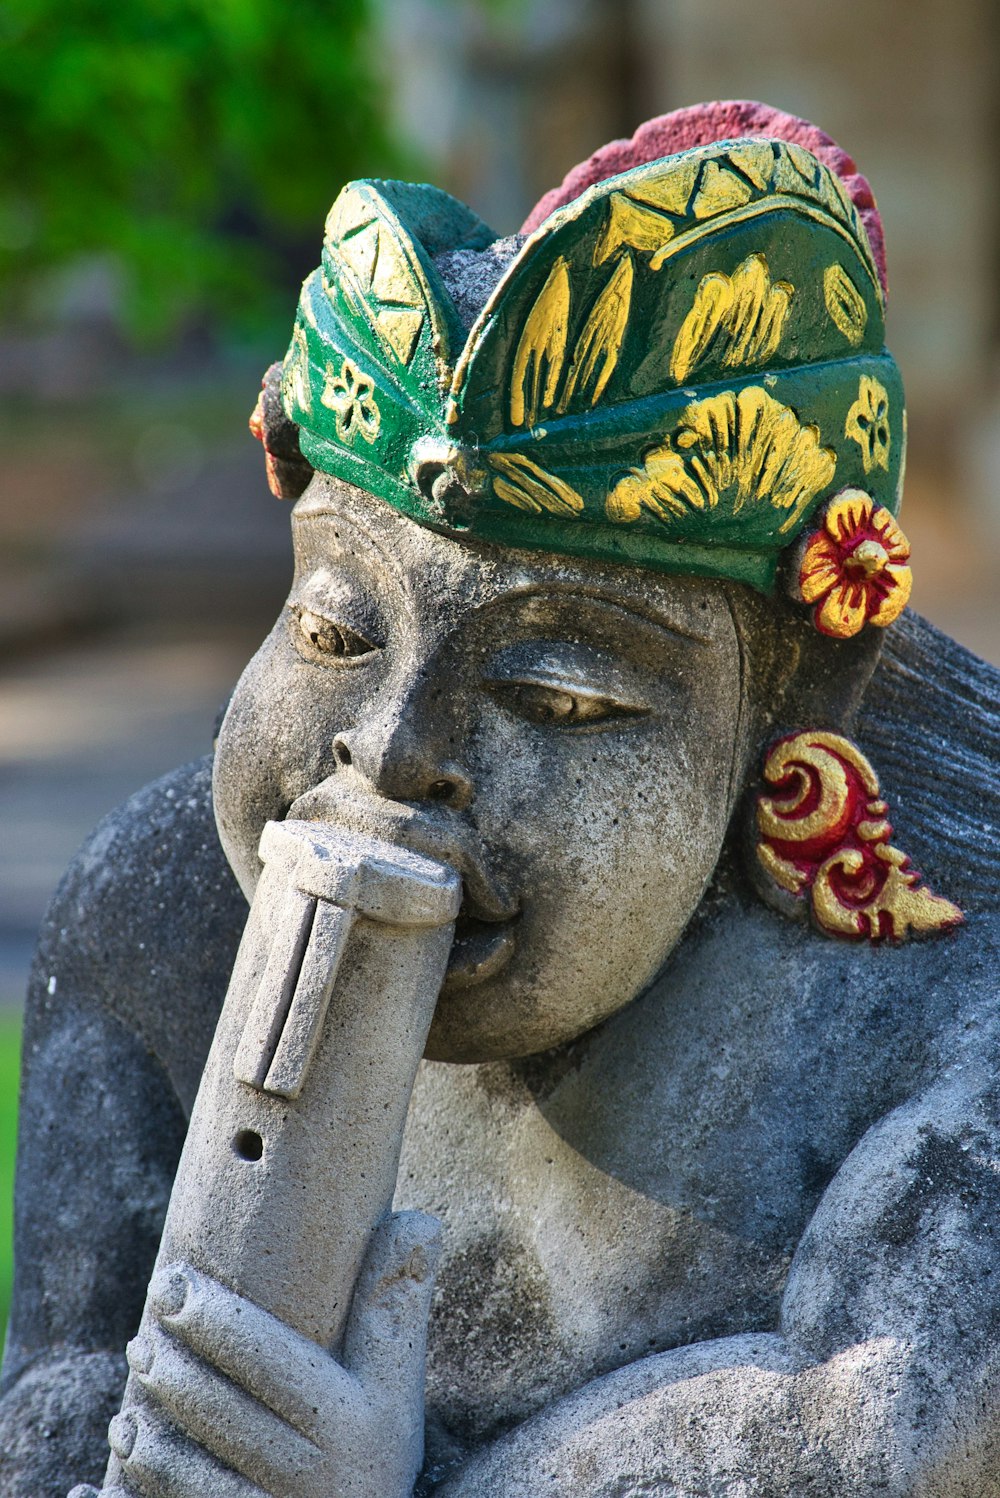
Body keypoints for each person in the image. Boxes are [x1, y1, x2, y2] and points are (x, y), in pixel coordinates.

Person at [2, 102, 998, 1498]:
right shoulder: (164, 914)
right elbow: (52, 1407)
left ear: (794, 699)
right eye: (340, 632)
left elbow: (898, 1426)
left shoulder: (947, 1034)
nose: (397, 749)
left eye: (561, 699)